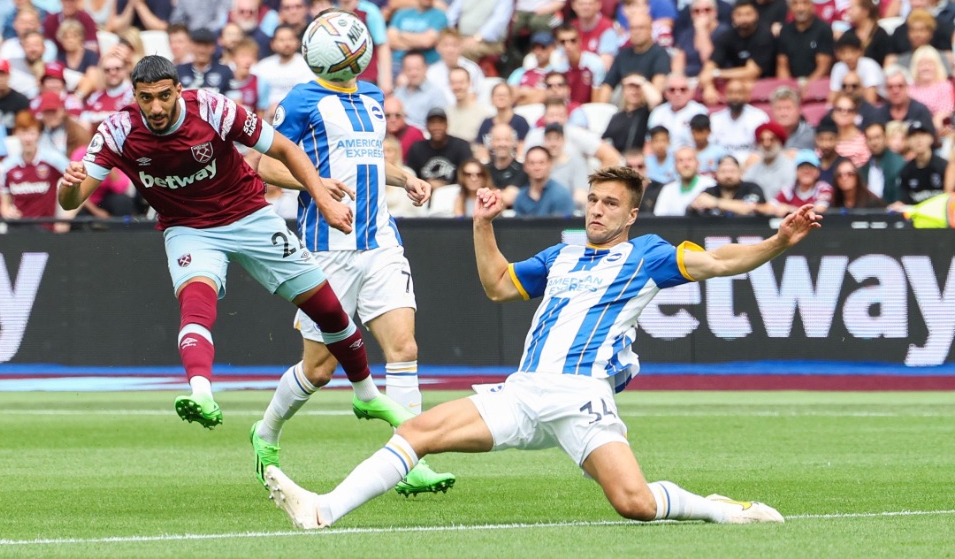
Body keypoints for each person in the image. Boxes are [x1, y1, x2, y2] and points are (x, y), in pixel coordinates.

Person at [266, 166, 819, 528]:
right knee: (417, 431)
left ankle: (721, 512)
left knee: (635, 504)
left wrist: (777, 240)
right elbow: (499, 286)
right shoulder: (562, 256)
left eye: (610, 204)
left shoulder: (649, 254)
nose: (597, 210)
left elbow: (721, 262)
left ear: (631, 216)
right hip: (524, 391)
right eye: (593, 200)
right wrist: (483, 226)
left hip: (581, 395)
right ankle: (322, 511)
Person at [58, 55, 409, 431]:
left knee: (329, 311)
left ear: (179, 89)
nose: (156, 107)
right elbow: (73, 202)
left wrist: (322, 197)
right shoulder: (117, 130)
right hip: (187, 227)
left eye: (163, 95)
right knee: (196, 302)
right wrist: (67, 187)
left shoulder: (213, 108)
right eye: (146, 98)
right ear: (135, 96)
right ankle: (201, 394)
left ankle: (367, 395)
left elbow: (285, 150)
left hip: (249, 215)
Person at [258, 39, 454, 495]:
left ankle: (410, 462)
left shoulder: (371, 95)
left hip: (381, 242)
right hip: (329, 248)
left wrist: (406, 177)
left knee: (403, 349)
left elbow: (368, 159)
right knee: (319, 370)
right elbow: (265, 165)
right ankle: (265, 432)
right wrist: (315, 183)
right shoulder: (300, 101)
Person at [406, 107, 473, 188]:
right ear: (426, 126)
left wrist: (444, 187)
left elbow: (467, 177)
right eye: (433, 123)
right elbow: (411, 177)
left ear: (447, 125)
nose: (437, 127)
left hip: (455, 193)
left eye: (440, 122)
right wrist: (427, 185)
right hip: (424, 193)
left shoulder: (461, 146)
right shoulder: (417, 148)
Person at [689, 155, 767, 217]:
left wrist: (716, 203)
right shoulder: (709, 191)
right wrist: (694, 206)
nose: (728, 175)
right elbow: (690, 211)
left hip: (749, 233)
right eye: (723, 171)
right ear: (716, 174)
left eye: (732, 171)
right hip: (715, 234)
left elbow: (749, 208)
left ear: (740, 172)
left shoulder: (752, 188)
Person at [512, 145, 574, 217]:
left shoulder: (562, 195)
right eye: (532, 163)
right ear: (525, 166)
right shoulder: (520, 197)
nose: (537, 167)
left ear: (550, 164)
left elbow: (565, 225)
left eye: (541, 163)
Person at [770, 149, 833, 217]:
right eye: (802, 167)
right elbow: (770, 207)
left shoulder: (824, 188)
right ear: (796, 171)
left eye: (810, 167)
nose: (806, 171)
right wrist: (757, 206)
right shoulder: (789, 190)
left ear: (817, 172)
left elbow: (819, 209)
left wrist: (790, 209)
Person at [653, 146, 713, 216]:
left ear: (698, 163)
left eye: (689, 159)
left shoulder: (709, 184)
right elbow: (659, 217)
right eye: (680, 160)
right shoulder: (668, 189)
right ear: (675, 166)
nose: (685, 164)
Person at [859, 121, 905, 204]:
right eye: (870, 139)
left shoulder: (899, 164)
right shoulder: (863, 169)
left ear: (885, 138)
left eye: (877, 137)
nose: (874, 143)